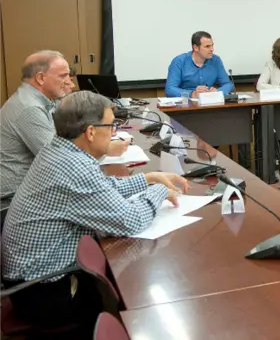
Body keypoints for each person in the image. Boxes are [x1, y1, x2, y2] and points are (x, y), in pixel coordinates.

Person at [1, 90, 188, 334]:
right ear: (90, 132)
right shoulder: (74, 167)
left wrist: (148, 179)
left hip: (30, 279)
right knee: (129, 296)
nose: (113, 133)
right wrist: (159, 191)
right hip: (44, 292)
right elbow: (130, 220)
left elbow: (102, 187)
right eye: (111, 126)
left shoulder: (59, 150)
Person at [0, 52, 129, 207]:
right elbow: (62, 161)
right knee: (111, 204)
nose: (70, 83)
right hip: (14, 201)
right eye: (64, 76)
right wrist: (105, 149)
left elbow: (67, 138)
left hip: (33, 190)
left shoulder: (40, 100)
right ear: (41, 78)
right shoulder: (29, 108)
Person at [165, 31, 234, 98]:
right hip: (186, 104)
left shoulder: (215, 60)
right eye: (207, 46)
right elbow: (170, 89)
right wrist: (192, 94)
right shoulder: (179, 61)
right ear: (196, 48)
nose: (212, 49)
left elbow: (228, 84)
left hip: (210, 103)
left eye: (212, 45)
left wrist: (218, 92)